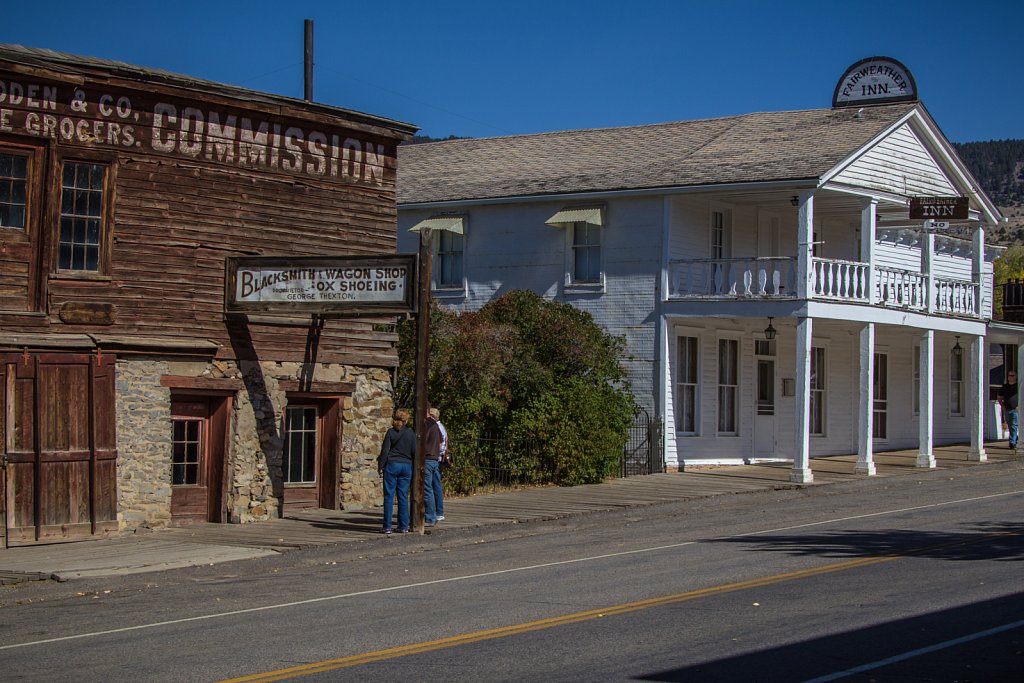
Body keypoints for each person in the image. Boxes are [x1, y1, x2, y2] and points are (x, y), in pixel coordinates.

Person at [378, 409, 414, 534]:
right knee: (403, 496)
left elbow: (385, 451)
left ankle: (387, 526)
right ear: (406, 420)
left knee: (389, 496)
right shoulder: (410, 433)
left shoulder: (391, 432)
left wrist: (381, 466)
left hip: (392, 465)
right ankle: (403, 526)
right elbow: (414, 451)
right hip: (406, 465)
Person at [423, 407, 443, 527]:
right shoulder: (435, 425)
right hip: (435, 459)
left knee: (427, 490)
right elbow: (441, 441)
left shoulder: (427, 425)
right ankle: (435, 513)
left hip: (428, 459)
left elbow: (421, 442)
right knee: (434, 487)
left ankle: (430, 516)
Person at [429, 407, 449, 522]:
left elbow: (441, 445)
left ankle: (439, 511)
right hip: (437, 458)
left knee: (435, 485)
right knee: (435, 484)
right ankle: (437, 510)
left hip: (437, 459)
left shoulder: (437, 428)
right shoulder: (438, 427)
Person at [999, 371, 1019, 451]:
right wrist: (1002, 406)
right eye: (1009, 375)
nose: (1010, 377)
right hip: (1007, 409)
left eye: (1012, 375)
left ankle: (1012, 442)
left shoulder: (1018, 386)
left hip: (1015, 409)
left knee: (1014, 425)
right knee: (1010, 426)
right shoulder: (1005, 387)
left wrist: (1019, 406)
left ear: (1015, 377)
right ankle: (1015, 438)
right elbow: (1000, 397)